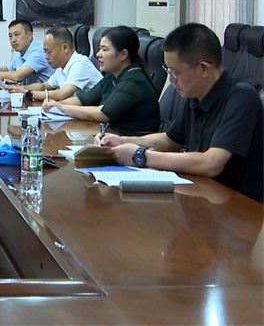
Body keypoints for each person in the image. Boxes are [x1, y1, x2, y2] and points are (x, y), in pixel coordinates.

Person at [97, 23, 264, 203]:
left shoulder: (241, 98)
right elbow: (170, 140)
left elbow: (212, 163)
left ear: (204, 69)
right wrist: (123, 141)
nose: (171, 79)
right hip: (202, 197)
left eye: (175, 72)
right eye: (168, 70)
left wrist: (141, 155)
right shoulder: (195, 96)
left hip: (238, 208)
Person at [43, 26, 159, 135]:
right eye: (99, 49)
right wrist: (54, 105)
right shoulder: (112, 76)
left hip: (131, 142)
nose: (98, 54)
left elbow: (102, 114)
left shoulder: (133, 81)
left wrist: (62, 108)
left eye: (104, 50)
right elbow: (83, 100)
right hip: (112, 137)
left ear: (123, 54)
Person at [6, 26, 103, 102]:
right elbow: (44, 86)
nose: (46, 57)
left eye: (49, 52)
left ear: (65, 48)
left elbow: (62, 94)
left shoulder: (80, 64)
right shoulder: (62, 67)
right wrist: (21, 88)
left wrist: (28, 93)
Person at [0, 19, 54, 85]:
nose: (13, 40)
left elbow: (19, 76)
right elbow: (8, 69)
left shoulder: (39, 52)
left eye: (17, 35)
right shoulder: (20, 53)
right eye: (10, 36)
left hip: (45, 92)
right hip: (28, 92)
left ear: (30, 35)